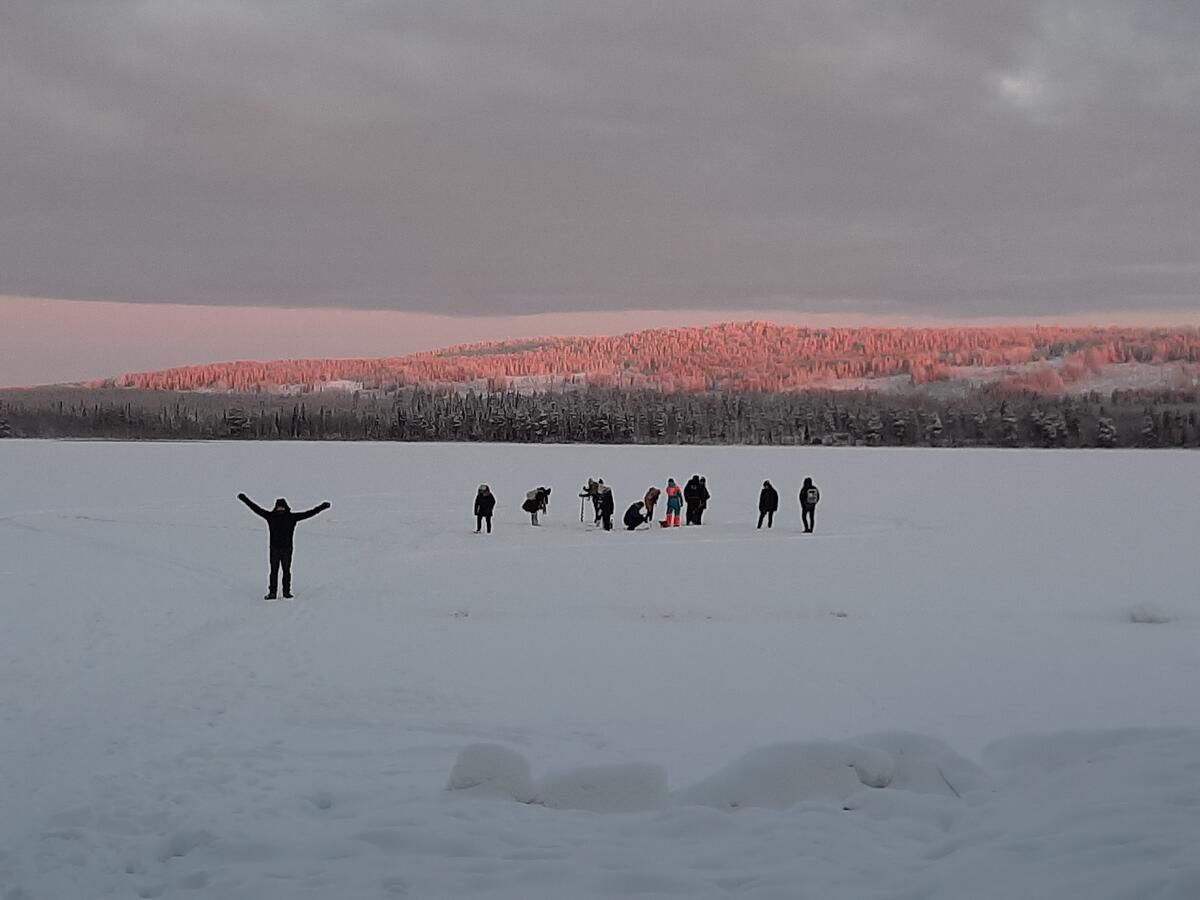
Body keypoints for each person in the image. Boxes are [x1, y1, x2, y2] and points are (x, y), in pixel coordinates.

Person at [237, 493, 330, 600]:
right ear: (276, 507)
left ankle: (286, 592)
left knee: (286, 570)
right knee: (274, 571)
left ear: (286, 507)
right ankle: (272, 593)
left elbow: (309, 513)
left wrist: (322, 507)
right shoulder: (271, 517)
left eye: (282, 507)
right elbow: (255, 508)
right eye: (279, 507)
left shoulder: (291, 517)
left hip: (287, 549)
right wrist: (244, 499)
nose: (280, 509)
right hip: (274, 549)